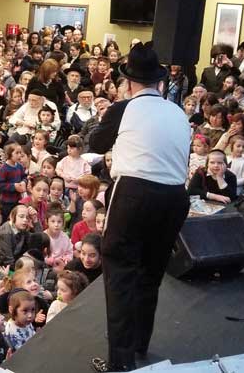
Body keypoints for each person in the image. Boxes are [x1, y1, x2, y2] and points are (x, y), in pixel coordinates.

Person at [90, 42, 190, 372]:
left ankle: (120, 363)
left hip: (134, 192)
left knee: (120, 273)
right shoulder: (178, 112)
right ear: (160, 83)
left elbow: (96, 144)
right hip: (175, 196)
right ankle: (139, 344)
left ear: (129, 82)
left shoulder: (123, 108)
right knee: (150, 273)